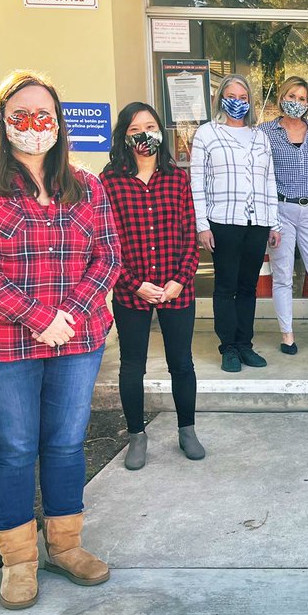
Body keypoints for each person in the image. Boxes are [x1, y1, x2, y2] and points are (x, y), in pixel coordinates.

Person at [0, 70, 121, 610]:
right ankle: (19, 560)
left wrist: (71, 313)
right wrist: (39, 317)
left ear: (59, 122)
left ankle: (65, 545)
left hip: (77, 339)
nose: (34, 125)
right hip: (1, 345)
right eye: (20, 114)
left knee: (66, 443)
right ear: (2, 121)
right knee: (16, 448)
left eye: (44, 114)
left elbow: (106, 256)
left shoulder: (86, 185)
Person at [101, 102, 204, 472]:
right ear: (124, 138)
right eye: (134, 129)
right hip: (132, 291)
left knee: (182, 363)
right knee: (132, 366)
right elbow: (106, 243)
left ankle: (187, 429)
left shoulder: (177, 179)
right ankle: (136, 436)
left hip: (177, 289)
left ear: (161, 131)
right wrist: (134, 284)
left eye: (150, 126)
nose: (144, 134)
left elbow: (189, 235)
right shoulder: (109, 181)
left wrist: (180, 279)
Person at [191, 74, 281, 373]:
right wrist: (201, 224)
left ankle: (245, 344)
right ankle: (227, 347)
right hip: (223, 222)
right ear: (220, 99)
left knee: (248, 287)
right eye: (232, 95)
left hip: (257, 223)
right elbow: (197, 183)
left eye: (243, 97)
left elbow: (269, 181)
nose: (237, 101)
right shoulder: (207, 134)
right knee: (225, 286)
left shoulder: (260, 136)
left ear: (250, 102)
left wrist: (274, 222)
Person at [259, 76, 308, 353]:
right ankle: (287, 335)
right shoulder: (266, 132)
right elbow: (260, 175)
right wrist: (270, 221)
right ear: (281, 98)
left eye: (302, 98)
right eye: (291, 97)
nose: (296, 103)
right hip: (280, 210)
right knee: (282, 276)